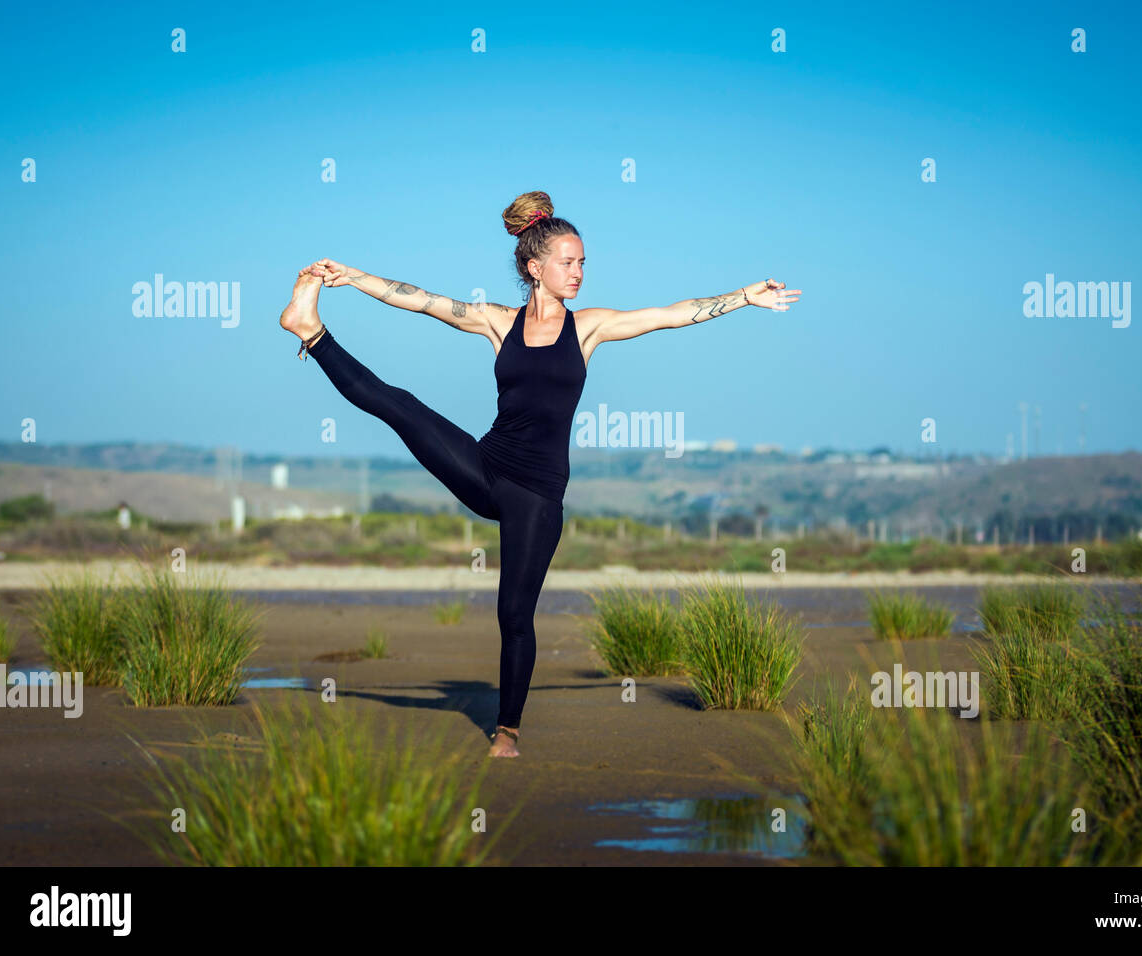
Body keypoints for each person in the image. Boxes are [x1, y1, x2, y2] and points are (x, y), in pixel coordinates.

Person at [278, 190, 801, 757]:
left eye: (582, 263)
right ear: (535, 267)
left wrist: (744, 297)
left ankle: (507, 731)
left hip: (537, 496)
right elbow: (423, 301)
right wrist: (353, 276)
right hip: (486, 467)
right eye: (568, 262)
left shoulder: (589, 329)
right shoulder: (499, 323)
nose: (578, 273)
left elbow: (670, 314)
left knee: (514, 614)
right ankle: (309, 329)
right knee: (398, 405)